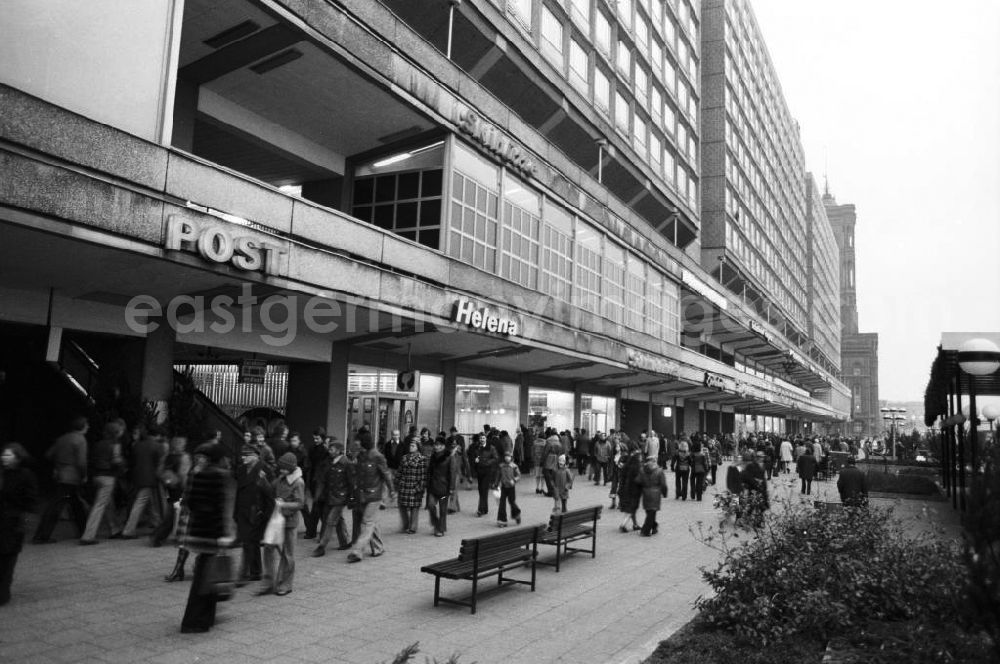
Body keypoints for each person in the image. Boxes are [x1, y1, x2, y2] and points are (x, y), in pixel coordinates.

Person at [180, 443, 232, 633]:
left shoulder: (198, 473)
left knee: (203, 574)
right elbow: (220, 509)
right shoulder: (220, 476)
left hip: (198, 531)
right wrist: (223, 535)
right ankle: (195, 620)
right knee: (206, 579)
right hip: (212, 533)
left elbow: (191, 502)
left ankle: (204, 618)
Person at [33, 416, 89, 543]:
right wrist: (84, 475)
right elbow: (81, 462)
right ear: (82, 426)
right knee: (58, 506)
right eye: (87, 425)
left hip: (61, 475)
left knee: (75, 505)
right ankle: (42, 535)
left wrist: (58, 465)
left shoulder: (62, 438)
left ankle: (84, 530)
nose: (88, 427)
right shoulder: (80, 440)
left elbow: (48, 454)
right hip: (72, 477)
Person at [259, 453, 303, 596]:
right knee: (268, 547)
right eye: (281, 468)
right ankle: (269, 581)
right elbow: (270, 491)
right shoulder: (280, 479)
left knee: (287, 554)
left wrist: (284, 504)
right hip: (277, 519)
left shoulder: (298, 482)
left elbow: (300, 503)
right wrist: (263, 480)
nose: (281, 471)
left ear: (290, 468)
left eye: (284, 469)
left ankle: (285, 584)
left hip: (289, 522)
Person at [1, 443, 38, 605]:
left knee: (8, 557)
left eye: (8, 455)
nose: (4, 458)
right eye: (3, 454)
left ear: (18, 457)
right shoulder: (2, 474)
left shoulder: (26, 475)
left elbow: (30, 501)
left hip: (13, 522)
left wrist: (26, 523)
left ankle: (3, 592)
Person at [348, 437, 394, 563]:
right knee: (371, 521)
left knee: (367, 522)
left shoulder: (377, 457)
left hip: (374, 495)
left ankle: (357, 550)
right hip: (363, 494)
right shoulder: (361, 456)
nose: (358, 448)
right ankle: (378, 548)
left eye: (359, 446)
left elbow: (386, 474)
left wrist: (392, 491)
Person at [80, 421, 125, 544]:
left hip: (96, 477)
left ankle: (114, 530)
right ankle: (87, 536)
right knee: (99, 505)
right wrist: (122, 466)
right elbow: (116, 461)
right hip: (108, 477)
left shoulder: (98, 444)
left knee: (108, 503)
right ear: (116, 433)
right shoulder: (115, 444)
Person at [233, 445, 272, 585]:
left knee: (248, 542)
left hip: (256, 513)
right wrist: (235, 512)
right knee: (251, 542)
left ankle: (243, 574)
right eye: (242, 454)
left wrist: (266, 515)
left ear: (256, 456)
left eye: (247, 455)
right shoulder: (241, 469)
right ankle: (256, 572)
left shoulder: (265, 470)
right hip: (243, 511)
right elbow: (238, 492)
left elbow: (270, 495)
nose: (243, 457)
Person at [121, 425, 167, 539]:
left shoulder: (137, 445)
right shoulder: (158, 446)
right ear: (158, 435)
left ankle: (158, 525)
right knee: (140, 503)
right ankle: (128, 530)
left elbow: (132, 461)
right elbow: (160, 465)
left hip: (136, 478)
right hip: (150, 479)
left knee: (149, 503)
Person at [313, 439, 355, 556]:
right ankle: (345, 542)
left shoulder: (346, 463)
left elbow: (351, 482)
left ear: (338, 451)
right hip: (331, 497)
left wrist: (351, 497)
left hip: (340, 498)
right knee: (337, 519)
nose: (329, 451)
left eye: (332, 449)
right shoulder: (331, 462)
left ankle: (322, 546)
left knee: (330, 521)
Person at [151, 436, 191, 547]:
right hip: (179, 488)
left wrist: (167, 480)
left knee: (172, 512)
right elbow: (183, 475)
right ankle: (162, 536)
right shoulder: (184, 457)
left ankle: (161, 536)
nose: (183, 445)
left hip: (169, 488)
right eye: (182, 443)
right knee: (177, 514)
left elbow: (159, 472)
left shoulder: (166, 457)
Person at [395, 440, 427, 534]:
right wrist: (396, 482)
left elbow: (423, 475)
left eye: (413, 445)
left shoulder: (421, 459)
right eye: (410, 445)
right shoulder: (404, 458)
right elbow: (399, 471)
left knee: (414, 507)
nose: (411, 447)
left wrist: (420, 487)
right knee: (402, 506)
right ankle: (406, 524)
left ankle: (413, 527)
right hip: (404, 486)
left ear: (417, 447)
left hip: (414, 486)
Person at [427, 437, 454, 537]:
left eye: (438, 445)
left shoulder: (449, 457)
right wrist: (427, 483)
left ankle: (440, 529)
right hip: (433, 486)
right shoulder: (432, 457)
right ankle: (436, 524)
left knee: (443, 510)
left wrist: (451, 488)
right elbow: (429, 471)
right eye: (435, 444)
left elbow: (452, 473)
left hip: (444, 487)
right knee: (430, 505)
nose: (436, 447)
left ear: (443, 446)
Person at [636, 455, 668, 536]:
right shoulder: (659, 471)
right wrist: (664, 493)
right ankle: (645, 530)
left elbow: (638, 481)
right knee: (652, 512)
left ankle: (654, 526)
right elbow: (663, 484)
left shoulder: (642, 470)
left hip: (646, 494)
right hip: (656, 494)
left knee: (649, 512)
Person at [471, 434, 499, 517]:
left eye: (483, 438)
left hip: (487, 471)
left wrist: (487, 462)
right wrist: (475, 460)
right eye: (480, 438)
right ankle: (485, 509)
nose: (482, 439)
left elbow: (496, 458)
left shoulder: (491, 447)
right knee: (481, 490)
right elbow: (473, 457)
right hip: (479, 471)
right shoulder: (477, 447)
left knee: (484, 489)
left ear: (486, 439)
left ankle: (480, 509)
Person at [495, 452, 521, 527]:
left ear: (511, 457)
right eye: (505, 456)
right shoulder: (501, 466)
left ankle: (517, 514)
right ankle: (502, 521)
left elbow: (519, 475)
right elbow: (498, 476)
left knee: (512, 502)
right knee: (502, 504)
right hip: (503, 487)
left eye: (508, 456)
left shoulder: (514, 466)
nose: (507, 458)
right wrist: (496, 484)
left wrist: (515, 480)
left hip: (511, 487)